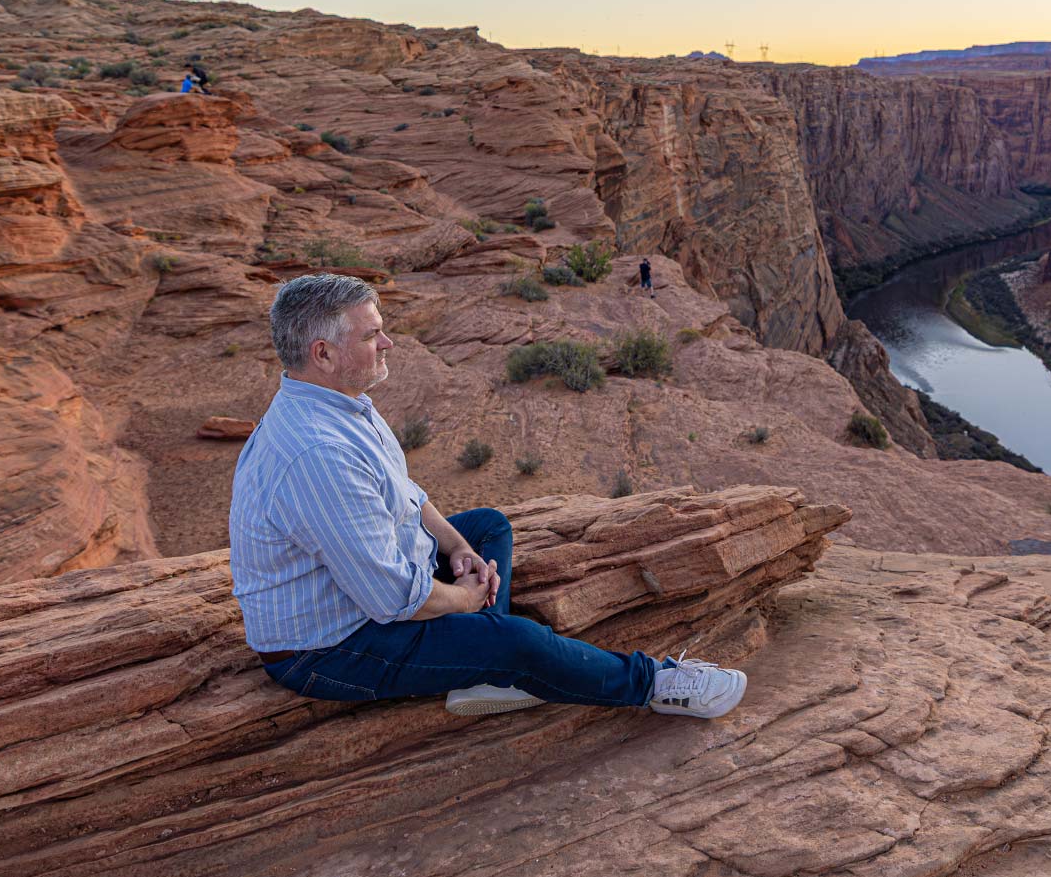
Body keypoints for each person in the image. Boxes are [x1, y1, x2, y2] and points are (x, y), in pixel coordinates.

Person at [228, 272, 747, 718]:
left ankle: (485, 663)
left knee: (487, 526)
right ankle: (656, 686)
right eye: (373, 335)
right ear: (323, 353)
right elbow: (390, 599)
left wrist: (459, 550)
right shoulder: (317, 453)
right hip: (331, 648)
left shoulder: (342, 403)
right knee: (519, 642)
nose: (387, 344)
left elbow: (407, 495)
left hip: (360, 595)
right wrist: (466, 597)